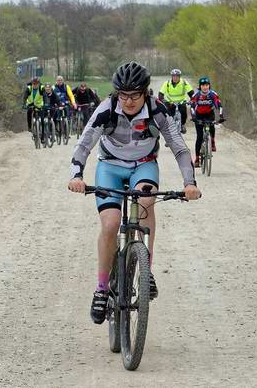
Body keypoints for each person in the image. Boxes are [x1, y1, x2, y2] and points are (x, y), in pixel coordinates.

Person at [68, 61, 201, 325]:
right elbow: (84, 144)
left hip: (143, 166)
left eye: (135, 95)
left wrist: (190, 182)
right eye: (124, 95)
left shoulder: (157, 111)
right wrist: (77, 175)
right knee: (110, 224)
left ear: (145, 92)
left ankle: (146, 271)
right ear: (117, 93)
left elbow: (179, 147)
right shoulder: (106, 110)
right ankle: (102, 288)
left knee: (146, 201)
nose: (129, 101)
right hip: (110, 167)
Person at [190, 76, 224, 167]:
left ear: (209, 85)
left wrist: (221, 116)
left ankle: (212, 140)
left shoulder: (213, 94)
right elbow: (192, 106)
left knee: (212, 125)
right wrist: (193, 116)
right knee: (199, 137)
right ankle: (197, 158)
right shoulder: (196, 95)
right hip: (199, 115)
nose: (205, 87)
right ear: (200, 86)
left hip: (209, 114)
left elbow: (219, 105)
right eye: (203, 85)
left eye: (207, 85)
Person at [158, 68, 194, 134]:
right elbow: (161, 94)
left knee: (183, 111)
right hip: (170, 102)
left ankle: (182, 125)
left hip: (181, 102)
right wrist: (163, 100)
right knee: (168, 115)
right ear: (172, 76)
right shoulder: (167, 83)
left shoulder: (184, 83)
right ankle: (169, 131)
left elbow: (191, 93)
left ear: (179, 76)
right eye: (174, 76)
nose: (175, 78)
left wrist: (192, 99)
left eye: (177, 76)